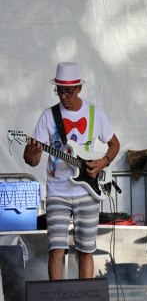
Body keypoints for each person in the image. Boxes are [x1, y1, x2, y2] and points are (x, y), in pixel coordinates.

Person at [23, 62, 120, 280]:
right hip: (57, 191)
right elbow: (32, 161)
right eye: (59, 91)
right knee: (56, 250)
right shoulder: (48, 116)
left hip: (88, 191)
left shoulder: (95, 113)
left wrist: (103, 162)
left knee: (85, 250)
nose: (63, 96)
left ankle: (86, 298)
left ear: (79, 88)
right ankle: (57, 299)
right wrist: (32, 151)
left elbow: (114, 144)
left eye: (68, 91)